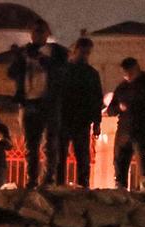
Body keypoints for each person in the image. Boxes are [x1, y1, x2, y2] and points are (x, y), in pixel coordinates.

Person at [8, 18, 68, 188]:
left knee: (50, 143)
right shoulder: (23, 53)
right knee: (31, 145)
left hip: (49, 103)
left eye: (41, 31)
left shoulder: (58, 52)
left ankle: (48, 178)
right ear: (31, 34)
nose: (38, 34)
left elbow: (62, 73)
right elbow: (11, 73)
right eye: (35, 31)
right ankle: (32, 179)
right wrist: (18, 58)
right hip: (28, 103)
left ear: (48, 33)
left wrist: (42, 60)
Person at [57, 37, 103, 188]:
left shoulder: (91, 74)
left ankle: (83, 185)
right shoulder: (64, 71)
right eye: (83, 52)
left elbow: (97, 99)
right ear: (75, 51)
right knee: (61, 155)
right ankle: (60, 184)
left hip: (81, 120)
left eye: (87, 53)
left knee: (82, 155)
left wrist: (97, 122)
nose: (85, 56)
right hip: (64, 118)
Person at [107, 58, 145, 191]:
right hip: (124, 132)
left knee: (144, 162)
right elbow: (111, 109)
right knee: (120, 163)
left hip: (143, 131)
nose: (126, 76)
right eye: (124, 73)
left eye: (128, 72)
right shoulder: (122, 87)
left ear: (136, 69)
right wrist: (119, 108)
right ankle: (121, 188)